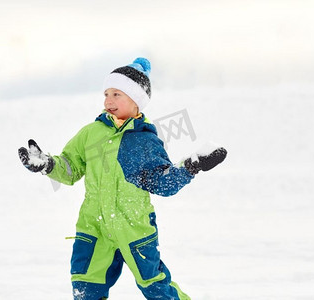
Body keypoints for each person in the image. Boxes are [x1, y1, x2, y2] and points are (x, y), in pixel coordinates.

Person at [18, 58, 227, 300]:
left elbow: (162, 182)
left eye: (117, 94)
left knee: (154, 286)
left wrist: (192, 166)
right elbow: (70, 167)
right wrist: (48, 164)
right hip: (93, 225)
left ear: (136, 99)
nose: (108, 100)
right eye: (106, 94)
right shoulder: (90, 133)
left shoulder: (145, 141)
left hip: (134, 226)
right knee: (85, 287)